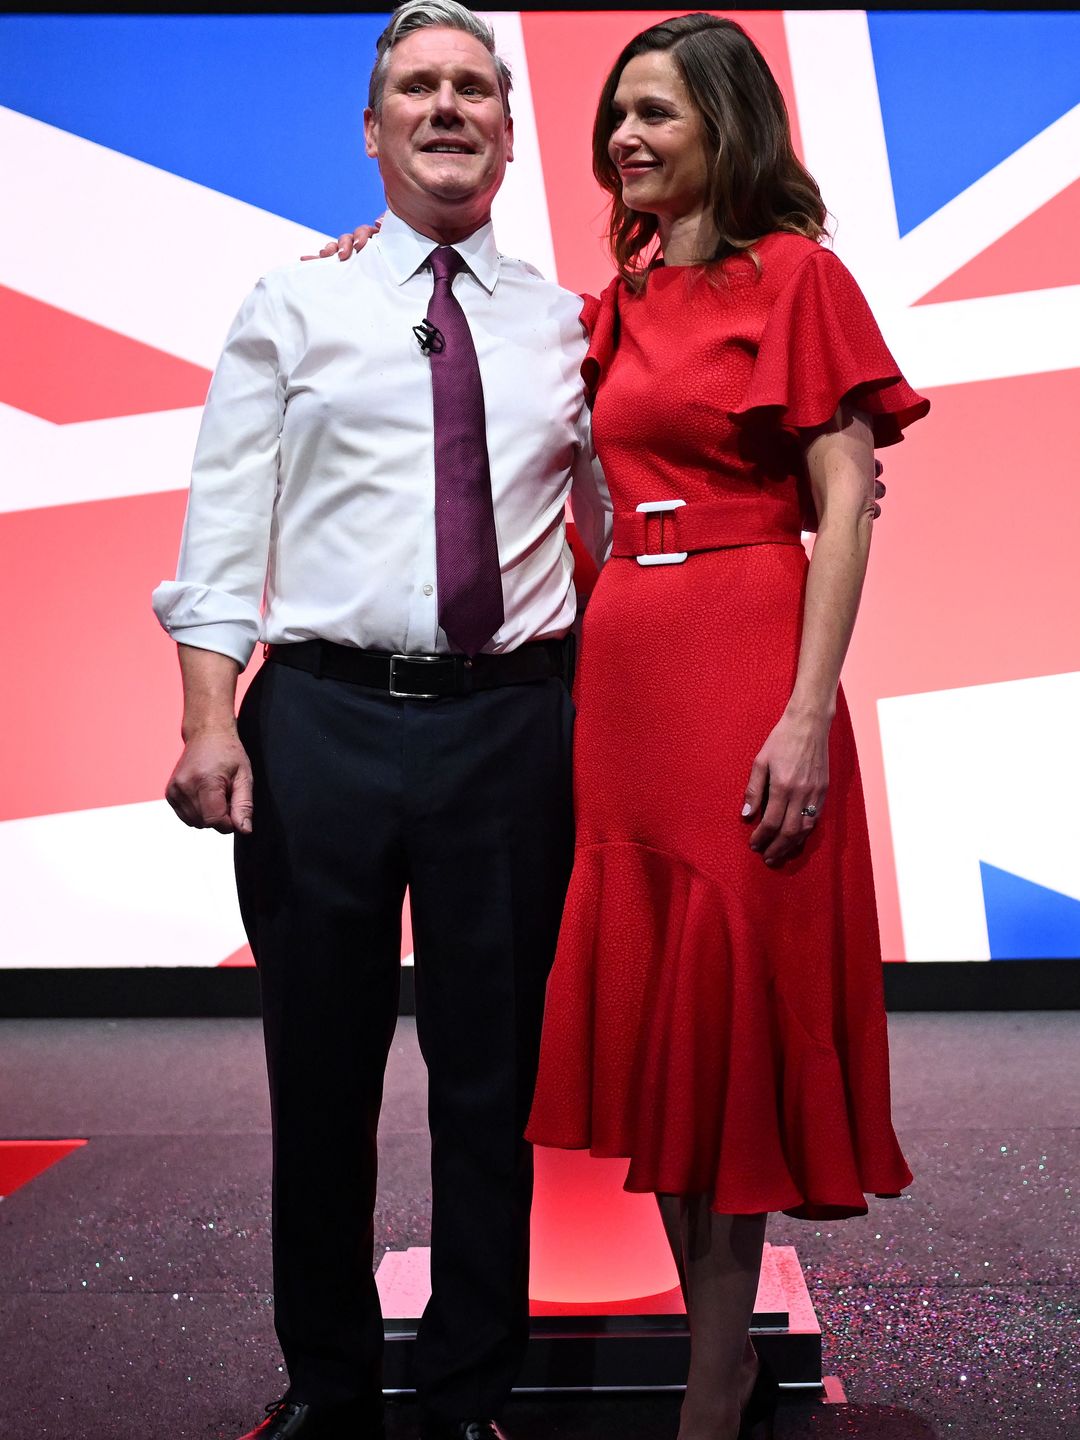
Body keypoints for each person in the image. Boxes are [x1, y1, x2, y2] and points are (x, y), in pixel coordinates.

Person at [152, 4, 609, 1439]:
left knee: (494, 1085)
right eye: (418, 86)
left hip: (511, 732)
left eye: (475, 86)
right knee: (323, 1080)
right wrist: (209, 722)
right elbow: (223, 531)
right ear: (371, 127)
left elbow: (616, 521)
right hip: (324, 730)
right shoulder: (293, 302)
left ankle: (472, 1389)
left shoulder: (562, 323)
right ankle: (331, 1387)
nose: (447, 106)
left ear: (510, 128)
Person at [520, 14, 929, 1440]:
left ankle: (716, 1363)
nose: (626, 137)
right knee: (664, 1016)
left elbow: (842, 497)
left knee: (736, 993)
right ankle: (717, 1341)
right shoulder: (615, 301)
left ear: (727, 129)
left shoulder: (803, 278)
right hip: (625, 671)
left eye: (658, 114)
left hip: (749, 656)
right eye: (617, 115)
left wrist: (805, 714)